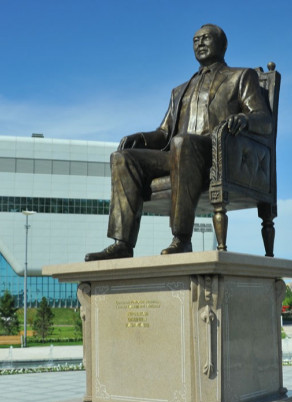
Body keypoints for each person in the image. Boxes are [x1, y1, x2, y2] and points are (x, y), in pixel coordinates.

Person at [85, 24, 272, 261]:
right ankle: (122, 243)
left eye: (206, 38)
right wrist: (140, 138)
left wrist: (243, 119)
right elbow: (164, 132)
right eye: (195, 40)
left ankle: (182, 239)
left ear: (223, 45)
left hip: (217, 153)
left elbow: (264, 119)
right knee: (122, 158)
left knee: (182, 144)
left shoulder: (241, 76)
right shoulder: (180, 90)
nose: (199, 43)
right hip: (178, 152)